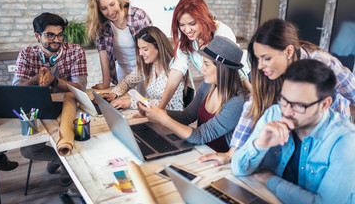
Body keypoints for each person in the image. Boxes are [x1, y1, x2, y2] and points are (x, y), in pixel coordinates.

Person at [199, 18, 355, 166]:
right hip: (299, 129)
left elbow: (352, 90)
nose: (260, 66)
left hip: (331, 129)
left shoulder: (322, 62)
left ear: (288, 51)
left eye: (266, 58)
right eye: (258, 58)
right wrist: (232, 152)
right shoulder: (266, 70)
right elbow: (254, 106)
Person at [232, 59, 355, 204]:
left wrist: (270, 180)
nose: (287, 111)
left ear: (324, 104)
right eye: (284, 99)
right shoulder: (275, 114)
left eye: (298, 105)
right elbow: (238, 169)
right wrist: (259, 144)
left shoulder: (345, 140)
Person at [13, 12, 88, 186]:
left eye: (60, 34)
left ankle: (66, 164)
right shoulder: (26, 54)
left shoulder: (75, 51)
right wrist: (36, 79)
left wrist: (54, 81)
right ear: (37, 36)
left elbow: (80, 87)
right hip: (38, 108)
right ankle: (62, 160)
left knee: (77, 135)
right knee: (28, 150)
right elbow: (17, 89)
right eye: (50, 35)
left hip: (68, 106)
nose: (56, 39)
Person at [138, 36, 249, 152]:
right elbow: (187, 116)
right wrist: (156, 112)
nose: (202, 68)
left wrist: (164, 119)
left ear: (222, 69)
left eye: (206, 64)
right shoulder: (208, 86)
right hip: (200, 151)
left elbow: (200, 135)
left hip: (218, 162)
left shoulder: (238, 102)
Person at [157, 0, 251, 109]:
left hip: (240, 79)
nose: (187, 30)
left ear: (203, 19)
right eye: (182, 25)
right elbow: (177, 69)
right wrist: (160, 107)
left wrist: (252, 94)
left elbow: (234, 69)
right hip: (216, 82)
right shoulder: (186, 36)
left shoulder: (221, 32)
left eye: (192, 24)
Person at [87, 0, 152, 89]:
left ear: (118, 0)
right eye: (104, 8)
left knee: (143, 102)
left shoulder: (138, 16)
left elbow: (152, 49)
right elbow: (103, 56)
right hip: (122, 70)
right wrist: (105, 84)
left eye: (112, 4)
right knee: (124, 103)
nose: (110, 12)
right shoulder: (102, 26)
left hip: (144, 69)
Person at [102, 26, 184, 110]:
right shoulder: (147, 66)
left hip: (171, 118)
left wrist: (131, 102)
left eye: (145, 49)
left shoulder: (176, 70)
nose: (141, 53)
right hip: (153, 116)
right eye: (139, 49)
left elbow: (170, 105)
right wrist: (114, 94)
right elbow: (127, 82)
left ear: (159, 47)